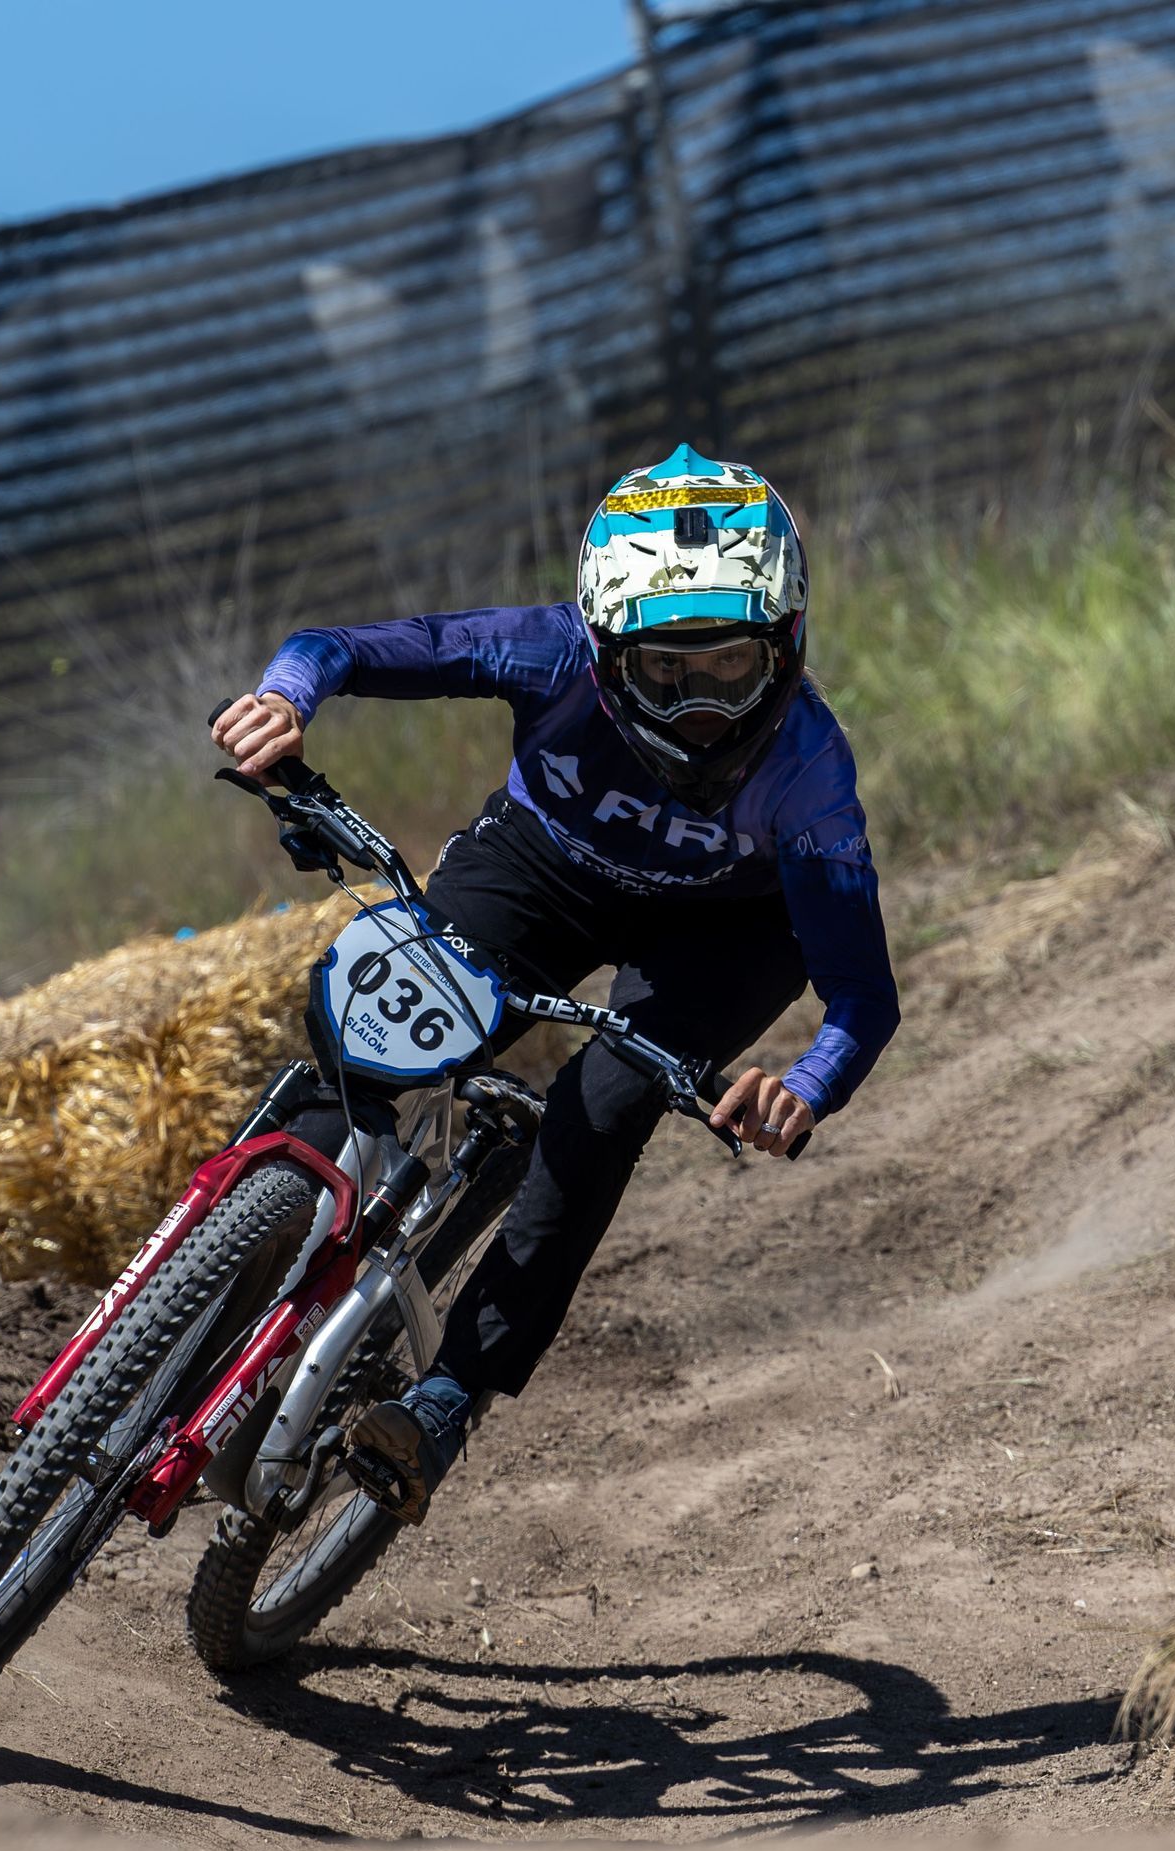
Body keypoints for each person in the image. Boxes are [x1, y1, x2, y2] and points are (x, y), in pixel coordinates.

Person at [210, 443, 900, 1523]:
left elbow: (862, 997)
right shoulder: (545, 652)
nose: (701, 710)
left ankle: (445, 1399)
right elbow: (328, 648)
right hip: (544, 866)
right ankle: (223, 1264)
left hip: (726, 931)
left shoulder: (811, 777)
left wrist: (804, 1085)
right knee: (366, 1040)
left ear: (789, 643)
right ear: (598, 647)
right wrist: (286, 698)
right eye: (665, 672)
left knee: (602, 1108)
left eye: (730, 669)